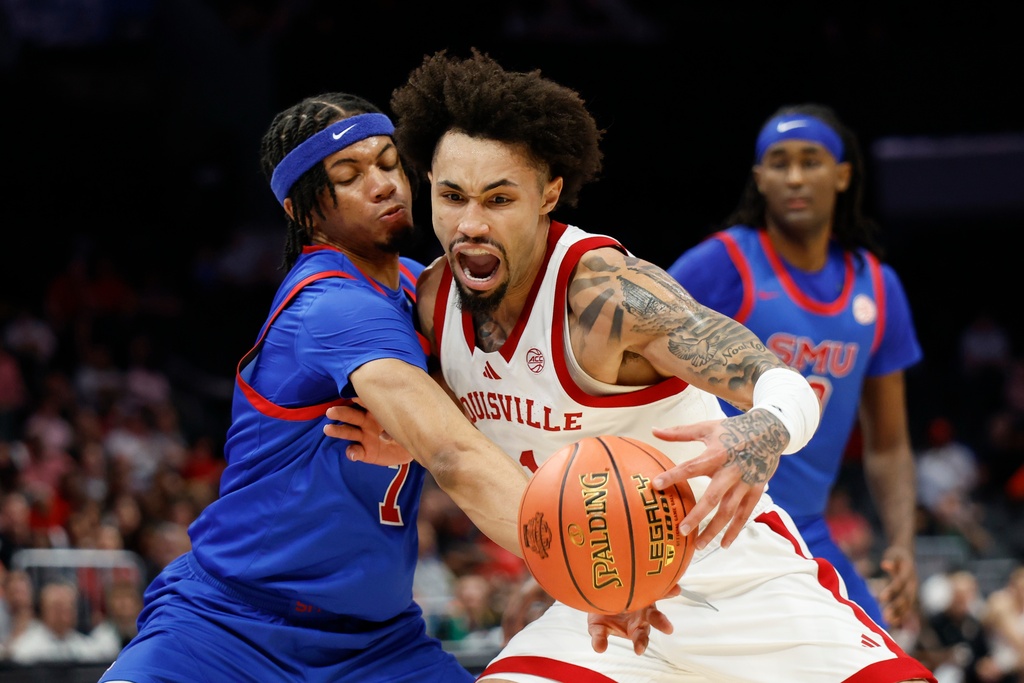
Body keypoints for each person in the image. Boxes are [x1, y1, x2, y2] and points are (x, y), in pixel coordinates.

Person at [332, 48, 935, 682]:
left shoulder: (605, 295)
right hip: (607, 608)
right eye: (452, 196)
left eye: (499, 199)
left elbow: (780, 381)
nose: (470, 224)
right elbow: (474, 439)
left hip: (740, 584)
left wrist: (764, 427)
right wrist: (416, 441)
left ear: (549, 195)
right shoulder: (431, 306)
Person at [96, 90, 542, 683]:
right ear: (305, 211)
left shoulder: (423, 290)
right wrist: (575, 563)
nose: (383, 184)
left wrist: (416, 439)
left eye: (387, 162)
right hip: (232, 629)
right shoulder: (333, 306)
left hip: (376, 646)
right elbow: (454, 450)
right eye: (350, 175)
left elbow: (508, 411)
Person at [666, 102, 922, 630]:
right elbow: (628, 367)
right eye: (779, 163)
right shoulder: (719, 265)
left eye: (812, 160)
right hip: (707, 522)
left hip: (803, 527)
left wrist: (901, 542)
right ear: (760, 179)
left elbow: (890, 444)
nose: (796, 176)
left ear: (843, 174)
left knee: (889, 665)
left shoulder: (878, 287)